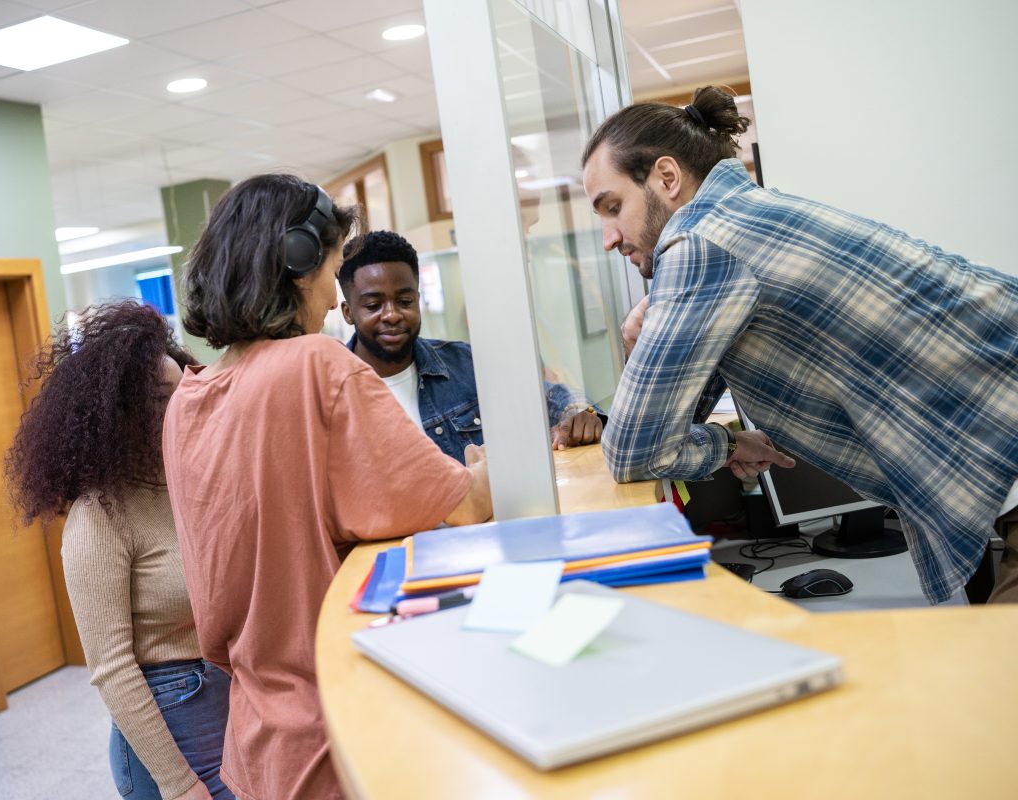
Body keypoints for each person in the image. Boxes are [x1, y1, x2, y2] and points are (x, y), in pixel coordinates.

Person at [580, 85, 1018, 605]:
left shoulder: (701, 242)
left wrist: (723, 447)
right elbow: (673, 415)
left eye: (613, 207)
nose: (608, 237)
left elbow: (634, 449)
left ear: (667, 178)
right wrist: (648, 343)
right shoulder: (744, 217)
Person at [162, 175, 493, 800]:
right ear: (297, 264)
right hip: (337, 722)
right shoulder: (317, 365)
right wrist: (482, 469)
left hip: (259, 733)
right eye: (333, 272)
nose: (328, 305)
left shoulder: (188, 400)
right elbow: (464, 505)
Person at [4, 300, 232, 800]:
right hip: (168, 719)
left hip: (221, 694)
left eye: (181, 395)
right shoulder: (99, 516)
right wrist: (177, 785)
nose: (175, 412)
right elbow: (112, 669)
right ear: (114, 412)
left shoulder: (186, 483)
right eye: (156, 400)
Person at [339, 229, 605, 463]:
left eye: (405, 301)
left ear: (418, 300)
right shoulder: (331, 393)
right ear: (348, 312)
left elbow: (549, 397)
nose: (392, 315)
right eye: (373, 306)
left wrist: (579, 414)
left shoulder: (463, 364)